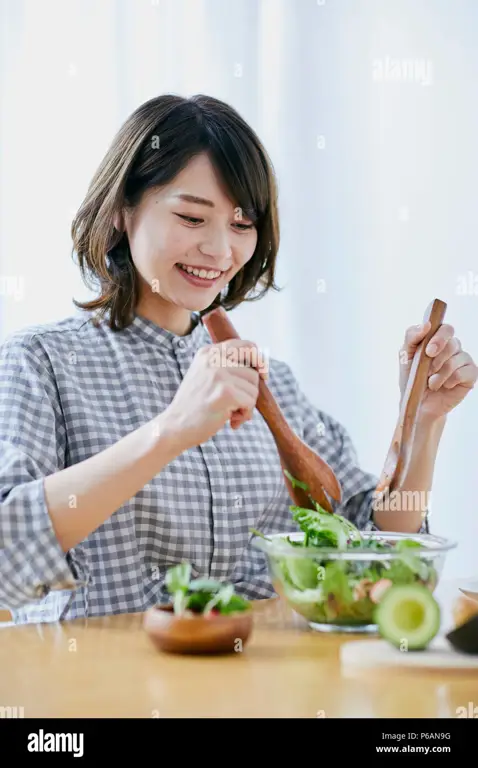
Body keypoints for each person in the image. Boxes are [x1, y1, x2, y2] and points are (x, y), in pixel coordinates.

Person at [0, 94, 476, 624]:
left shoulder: (276, 387)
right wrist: (172, 431)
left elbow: (377, 548)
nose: (220, 250)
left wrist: (426, 421)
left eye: (242, 223)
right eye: (191, 217)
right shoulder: (39, 362)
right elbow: (5, 563)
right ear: (120, 210)